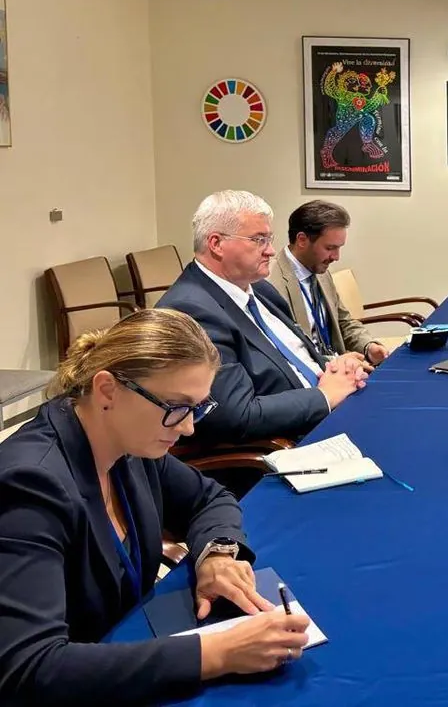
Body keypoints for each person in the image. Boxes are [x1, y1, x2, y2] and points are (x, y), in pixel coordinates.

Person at [0, 309, 312, 706]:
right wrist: (218, 652)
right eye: (176, 407)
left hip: (128, 650)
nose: (188, 428)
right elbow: (30, 668)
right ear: (107, 390)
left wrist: (216, 554)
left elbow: (209, 499)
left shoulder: (128, 443)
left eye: (198, 408)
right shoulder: (30, 484)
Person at [158, 190, 366, 447]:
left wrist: (334, 367)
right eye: (259, 240)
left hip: (327, 408)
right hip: (292, 439)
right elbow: (235, 415)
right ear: (216, 244)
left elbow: (295, 357)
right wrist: (324, 396)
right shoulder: (190, 312)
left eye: (269, 239)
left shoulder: (260, 289)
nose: (270, 251)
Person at [266, 200, 390, 368]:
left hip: (338, 365)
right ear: (302, 240)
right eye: (330, 248)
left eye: (339, 248)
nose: (336, 257)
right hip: (312, 373)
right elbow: (285, 350)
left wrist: (369, 346)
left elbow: (343, 322)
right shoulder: (270, 282)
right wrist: (335, 363)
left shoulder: (321, 271)